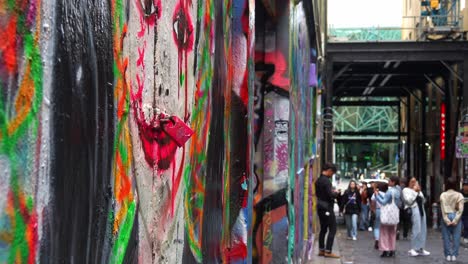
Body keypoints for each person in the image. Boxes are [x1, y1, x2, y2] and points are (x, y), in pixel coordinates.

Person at [315, 163, 340, 258]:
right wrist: (336, 193)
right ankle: (328, 251)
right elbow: (330, 195)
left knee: (323, 229)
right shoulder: (326, 181)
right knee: (333, 228)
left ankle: (321, 250)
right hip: (327, 207)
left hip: (320, 207)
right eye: (332, 173)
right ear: (329, 170)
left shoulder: (318, 180)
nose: (332, 175)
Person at [403, 177, 430, 257]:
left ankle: (421, 248)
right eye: (412, 181)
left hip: (421, 210)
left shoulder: (418, 190)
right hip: (414, 209)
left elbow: (423, 200)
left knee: (423, 229)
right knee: (416, 229)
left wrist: (419, 192)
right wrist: (415, 192)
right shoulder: (406, 190)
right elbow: (409, 201)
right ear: (408, 182)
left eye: (415, 182)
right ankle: (413, 248)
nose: (413, 183)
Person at [375, 176, 401, 257]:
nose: (388, 182)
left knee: (384, 232)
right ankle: (392, 249)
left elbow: (383, 202)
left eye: (389, 181)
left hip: (387, 215)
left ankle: (385, 249)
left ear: (393, 182)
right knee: (392, 232)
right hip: (394, 214)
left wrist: (377, 195)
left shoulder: (389, 191)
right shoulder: (398, 191)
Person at [440, 177, 465, 262]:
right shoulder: (459, 195)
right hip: (455, 215)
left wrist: (446, 220)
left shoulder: (443, 195)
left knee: (446, 237)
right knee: (456, 237)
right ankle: (454, 255)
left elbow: (443, 209)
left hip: (446, 215)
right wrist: (455, 220)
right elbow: (461, 210)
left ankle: (448, 255)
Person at [371, 182, 387, 250]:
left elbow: (373, 202)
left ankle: (377, 239)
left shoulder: (375, 194)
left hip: (378, 210)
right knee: (384, 227)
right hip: (386, 211)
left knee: (377, 226)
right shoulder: (387, 194)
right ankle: (384, 241)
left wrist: (373, 210)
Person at [462, 179, 468, 244]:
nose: (466, 187)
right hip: (460, 213)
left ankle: (466, 237)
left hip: (467, 213)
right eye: (465, 185)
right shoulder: (460, 193)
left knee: (466, 226)